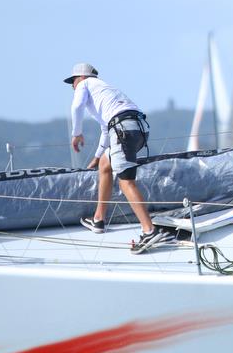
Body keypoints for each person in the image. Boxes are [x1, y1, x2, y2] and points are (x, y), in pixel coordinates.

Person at [64, 63, 168, 255]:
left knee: (126, 182)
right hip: (137, 129)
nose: (72, 85)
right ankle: (99, 219)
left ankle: (149, 231)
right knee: (105, 163)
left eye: (73, 80)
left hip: (123, 130)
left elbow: (76, 106)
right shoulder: (106, 91)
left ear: (81, 78)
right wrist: (96, 157)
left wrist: (76, 134)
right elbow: (106, 129)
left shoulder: (85, 85)